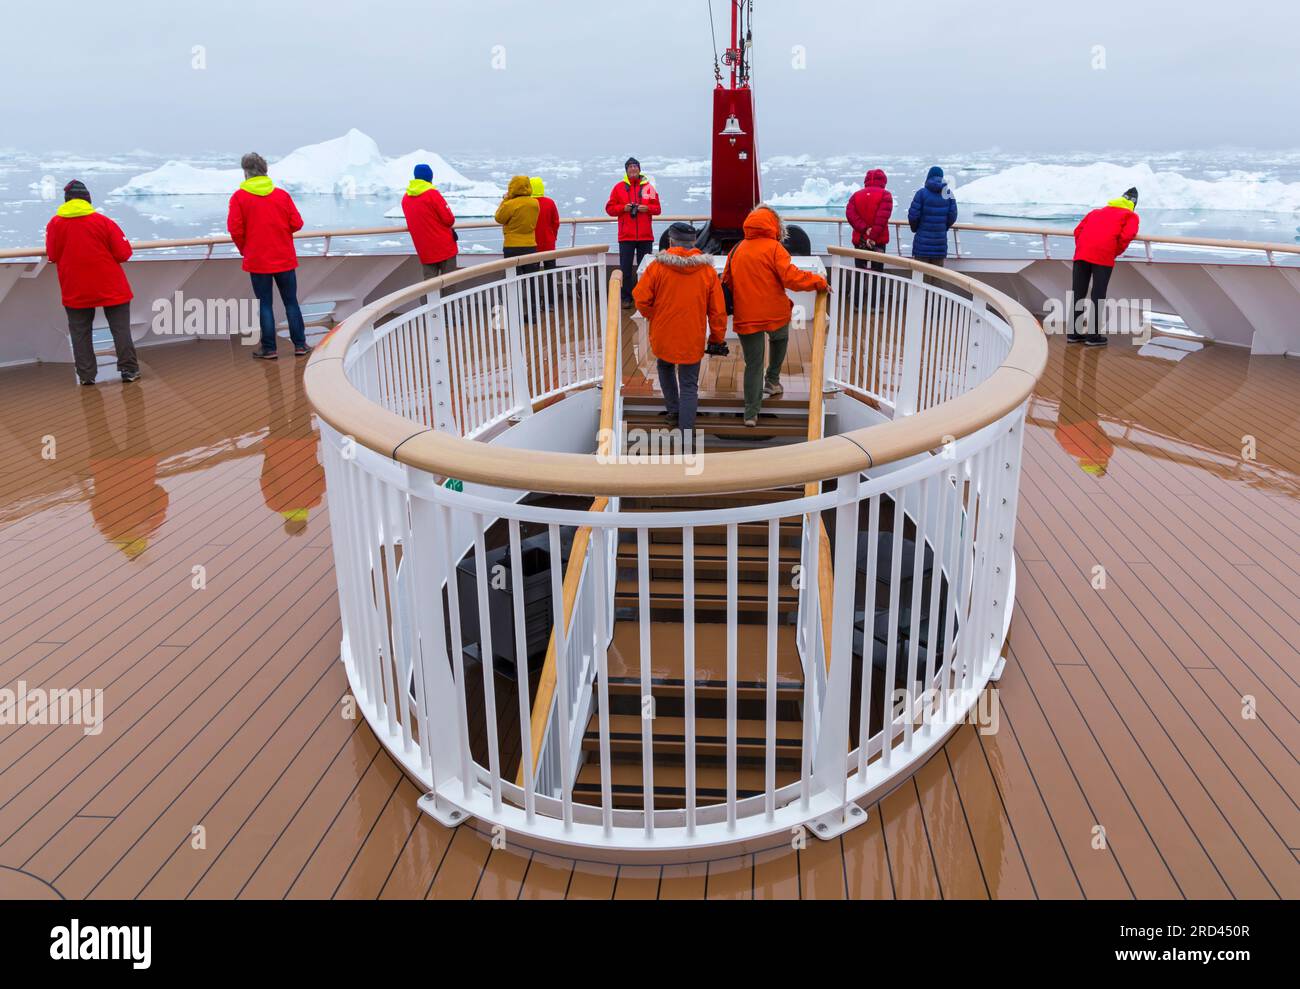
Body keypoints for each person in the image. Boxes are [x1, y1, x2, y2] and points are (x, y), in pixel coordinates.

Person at [721, 205, 829, 427]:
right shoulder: (775, 248)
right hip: (775, 313)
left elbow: (727, 282)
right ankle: (772, 381)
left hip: (747, 315)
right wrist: (819, 282)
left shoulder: (737, 249)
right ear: (774, 225)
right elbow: (792, 278)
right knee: (780, 340)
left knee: (753, 364)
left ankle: (751, 413)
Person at [632, 222, 727, 439]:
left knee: (665, 367)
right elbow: (717, 311)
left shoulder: (656, 268)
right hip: (692, 336)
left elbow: (641, 298)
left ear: (670, 241)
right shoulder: (707, 271)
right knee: (688, 383)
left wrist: (654, 315)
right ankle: (686, 432)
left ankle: (673, 411)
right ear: (694, 242)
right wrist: (716, 338)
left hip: (663, 333)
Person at [44, 180, 140, 385]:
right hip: (111, 286)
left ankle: (87, 376)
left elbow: (52, 255)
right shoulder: (103, 222)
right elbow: (124, 253)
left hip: (75, 287)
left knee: (80, 332)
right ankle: (129, 370)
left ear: (66, 200)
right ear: (87, 199)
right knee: (120, 329)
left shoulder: (55, 224)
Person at [227, 153, 309, 359]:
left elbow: (235, 230)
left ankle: (269, 348)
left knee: (264, 304)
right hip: (284, 258)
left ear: (245, 172)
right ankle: (300, 345)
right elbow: (297, 223)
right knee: (291, 301)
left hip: (257, 260)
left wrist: (246, 250)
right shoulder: (281, 195)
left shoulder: (239, 197)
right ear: (265, 170)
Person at [1070, 187, 1140, 347]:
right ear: (1133, 204)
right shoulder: (1131, 216)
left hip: (1082, 254)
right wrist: (1113, 251)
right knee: (1097, 294)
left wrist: (1083, 247)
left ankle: (1074, 334)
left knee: (1078, 293)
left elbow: (1078, 230)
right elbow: (1127, 236)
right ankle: (1092, 336)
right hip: (1103, 256)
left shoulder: (1095, 212)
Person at [606, 157, 661, 307]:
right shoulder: (619, 188)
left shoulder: (648, 188)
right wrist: (623, 208)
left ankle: (645, 298)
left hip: (645, 236)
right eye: (630, 167)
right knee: (626, 269)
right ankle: (626, 298)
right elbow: (610, 209)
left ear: (639, 169)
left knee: (645, 270)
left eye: (635, 166)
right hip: (626, 236)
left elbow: (657, 209)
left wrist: (646, 208)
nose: (633, 169)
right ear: (626, 170)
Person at [401, 163, 458, 279]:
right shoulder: (433, 194)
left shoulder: (406, 198)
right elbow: (449, 220)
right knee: (449, 284)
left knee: (429, 287)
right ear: (430, 177)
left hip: (425, 250)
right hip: (444, 248)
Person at [907, 166, 958, 266]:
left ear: (928, 177)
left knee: (920, 276)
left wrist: (915, 228)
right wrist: (943, 227)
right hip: (940, 243)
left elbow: (913, 216)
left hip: (922, 244)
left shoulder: (921, 193)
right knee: (936, 276)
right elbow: (953, 215)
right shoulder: (948, 194)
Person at [845, 169, 893, 272]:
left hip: (860, 240)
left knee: (860, 272)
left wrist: (865, 229)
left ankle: (858, 288)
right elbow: (882, 218)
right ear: (883, 181)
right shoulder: (885, 195)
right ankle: (875, 288)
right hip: (878, 241)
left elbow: (850, 214)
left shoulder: (856, 195)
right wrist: (872, 237)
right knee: (877, 274)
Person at [494, 174, 540, 273]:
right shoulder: (535, 203)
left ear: (512, 187)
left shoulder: (510, 204)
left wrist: (506, 199)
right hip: (530, 245)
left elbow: (499, 218)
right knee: (531, 278)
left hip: (512, 246)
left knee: (514, 277)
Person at [530, 177, 560, 269]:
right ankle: (551, 284)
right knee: (550, 272)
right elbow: (555, 222)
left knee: (532, 273)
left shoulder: (528, 204)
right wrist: (553, 237)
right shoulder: (549, 202)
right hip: (548, 243)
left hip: (532, 244)